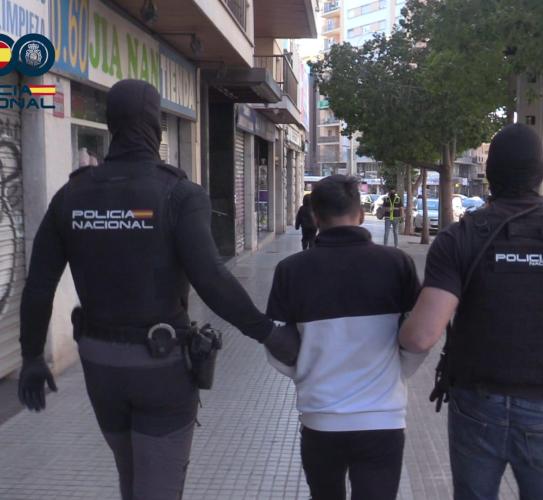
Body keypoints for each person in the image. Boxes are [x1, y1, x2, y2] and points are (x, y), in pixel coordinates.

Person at [16, 79, 300, 500]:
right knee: (158, 488)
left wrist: (31, 357)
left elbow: (39, 284)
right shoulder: (179, 193)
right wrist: (267, 332)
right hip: (161, 366)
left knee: (131, 478)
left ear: (110, 124)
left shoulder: (71, 195)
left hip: (100, 365)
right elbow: (211, 278)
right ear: (157, 126)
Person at [399, 124, 543, 500]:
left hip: (476, 406)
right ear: (541, 175)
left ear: (489, 176)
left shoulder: (459, 238)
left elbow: (421, 337)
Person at [266, 175, 426, 500]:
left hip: (320, 419)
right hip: (382, 420)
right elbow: (419, 337)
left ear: (315, 217)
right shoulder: (397, 264)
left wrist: (305, 372)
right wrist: (399, 371)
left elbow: (276, 343)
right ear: (361, 214)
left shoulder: (291, 270)